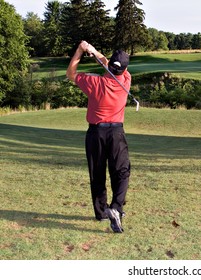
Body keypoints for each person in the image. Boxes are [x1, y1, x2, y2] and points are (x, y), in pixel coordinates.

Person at [66, 41, 131, 233]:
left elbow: (71, 74)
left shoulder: (95, 83)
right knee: (121, 171)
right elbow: (106, 62)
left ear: (109, 66)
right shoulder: (126, 79)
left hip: (96, 132)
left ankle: (102, 212)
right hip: (116, 132)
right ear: (124, 69)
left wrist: (81, 50)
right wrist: (95, 52)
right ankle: (116, 208)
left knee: (97, 173)